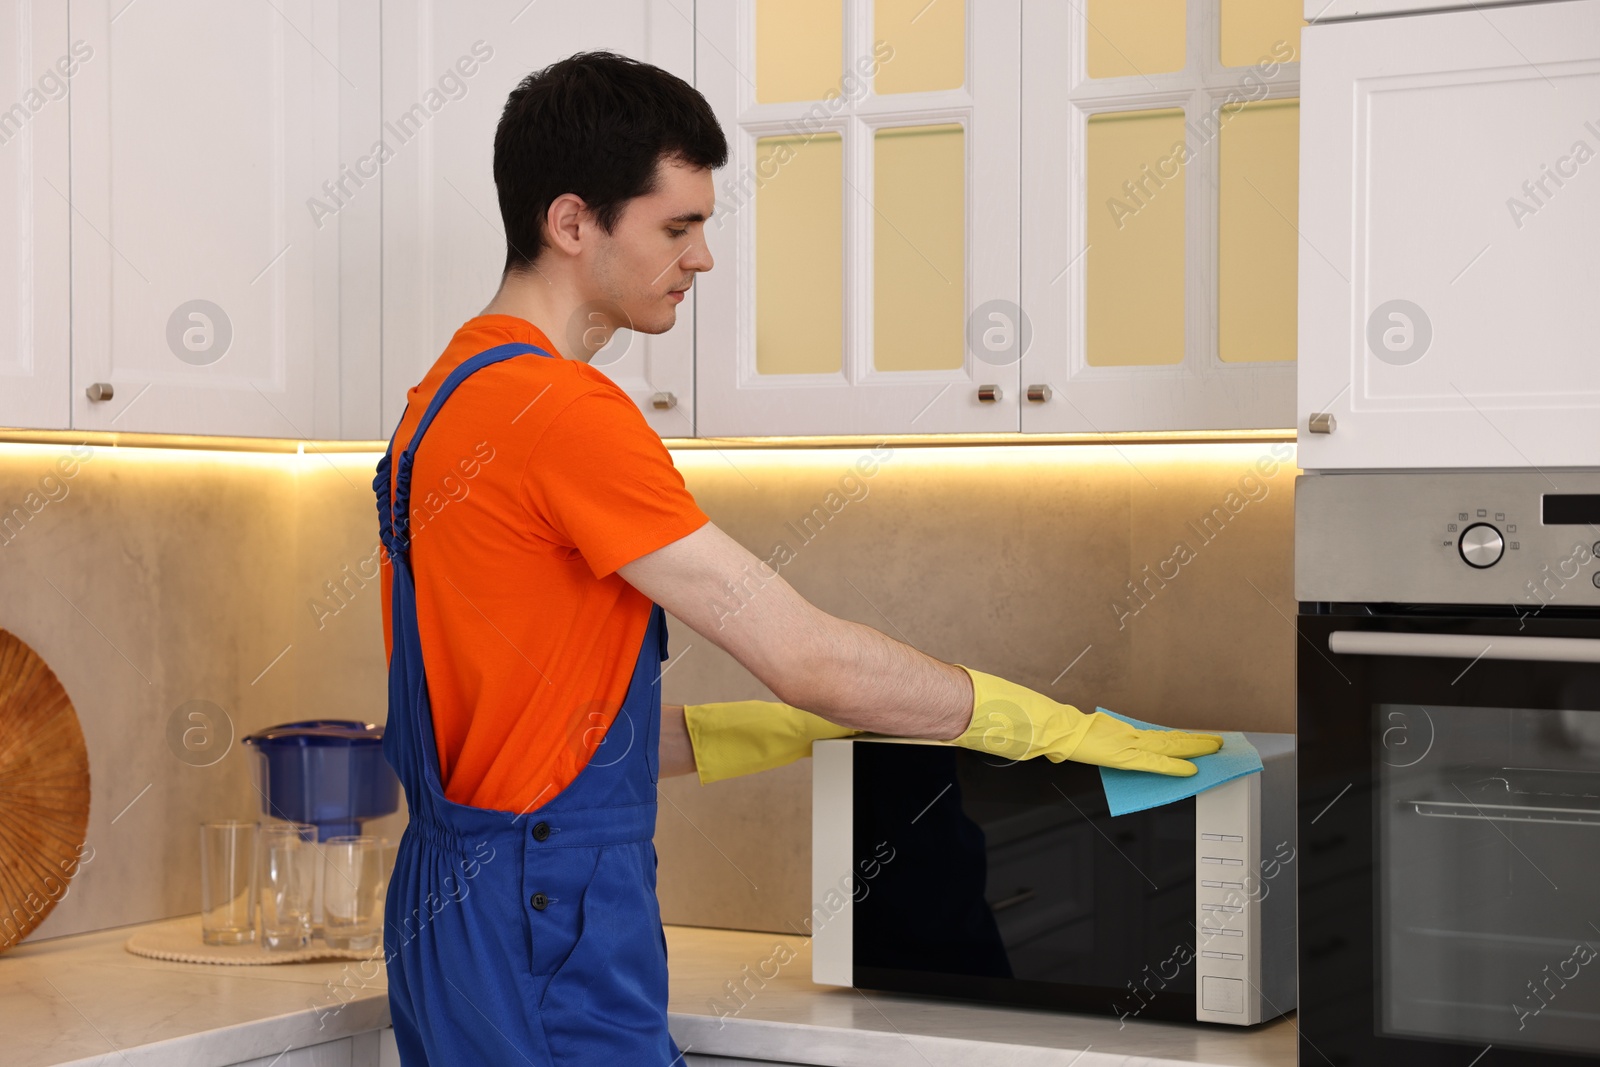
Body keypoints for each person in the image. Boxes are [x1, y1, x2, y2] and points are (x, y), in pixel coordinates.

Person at [376, 50, 1222, 1067]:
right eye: (677, 226)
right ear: (570, 223)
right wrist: (1038, 725)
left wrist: (768, 730)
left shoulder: (438, 404)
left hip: (444, 915)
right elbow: (807, 653)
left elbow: (522, 741)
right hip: (548, 917)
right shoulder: (563, 412)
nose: (703, 259)